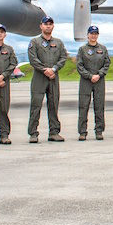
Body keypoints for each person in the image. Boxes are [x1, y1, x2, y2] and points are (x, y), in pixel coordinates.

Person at [28, 15, 68, 143]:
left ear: (53, 26)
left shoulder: (59, 43)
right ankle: (33, 133)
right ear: (41, 26)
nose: (48, 26)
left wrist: (54, 69)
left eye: (50, 24)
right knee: (36, 105)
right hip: (39, 77)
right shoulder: (34, 42)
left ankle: (54, 132)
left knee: (53, 104)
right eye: (46, 24)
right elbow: (33, 59)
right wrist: (45, 70)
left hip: (53, 78)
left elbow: (63, 57)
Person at [76, 25, 110, 141]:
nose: (93, 35)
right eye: (91, 33)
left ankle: (99, 131)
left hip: (99, 81)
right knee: (83, 106)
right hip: (86, 81)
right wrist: (90, 76)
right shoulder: (82, 50)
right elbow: (79, 66)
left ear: (98, 35)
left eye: (95, 33)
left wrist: (99, 75)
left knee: (99, 106)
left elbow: (107, 64)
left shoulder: (103, 49)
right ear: (88, 35)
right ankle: (82, 132)